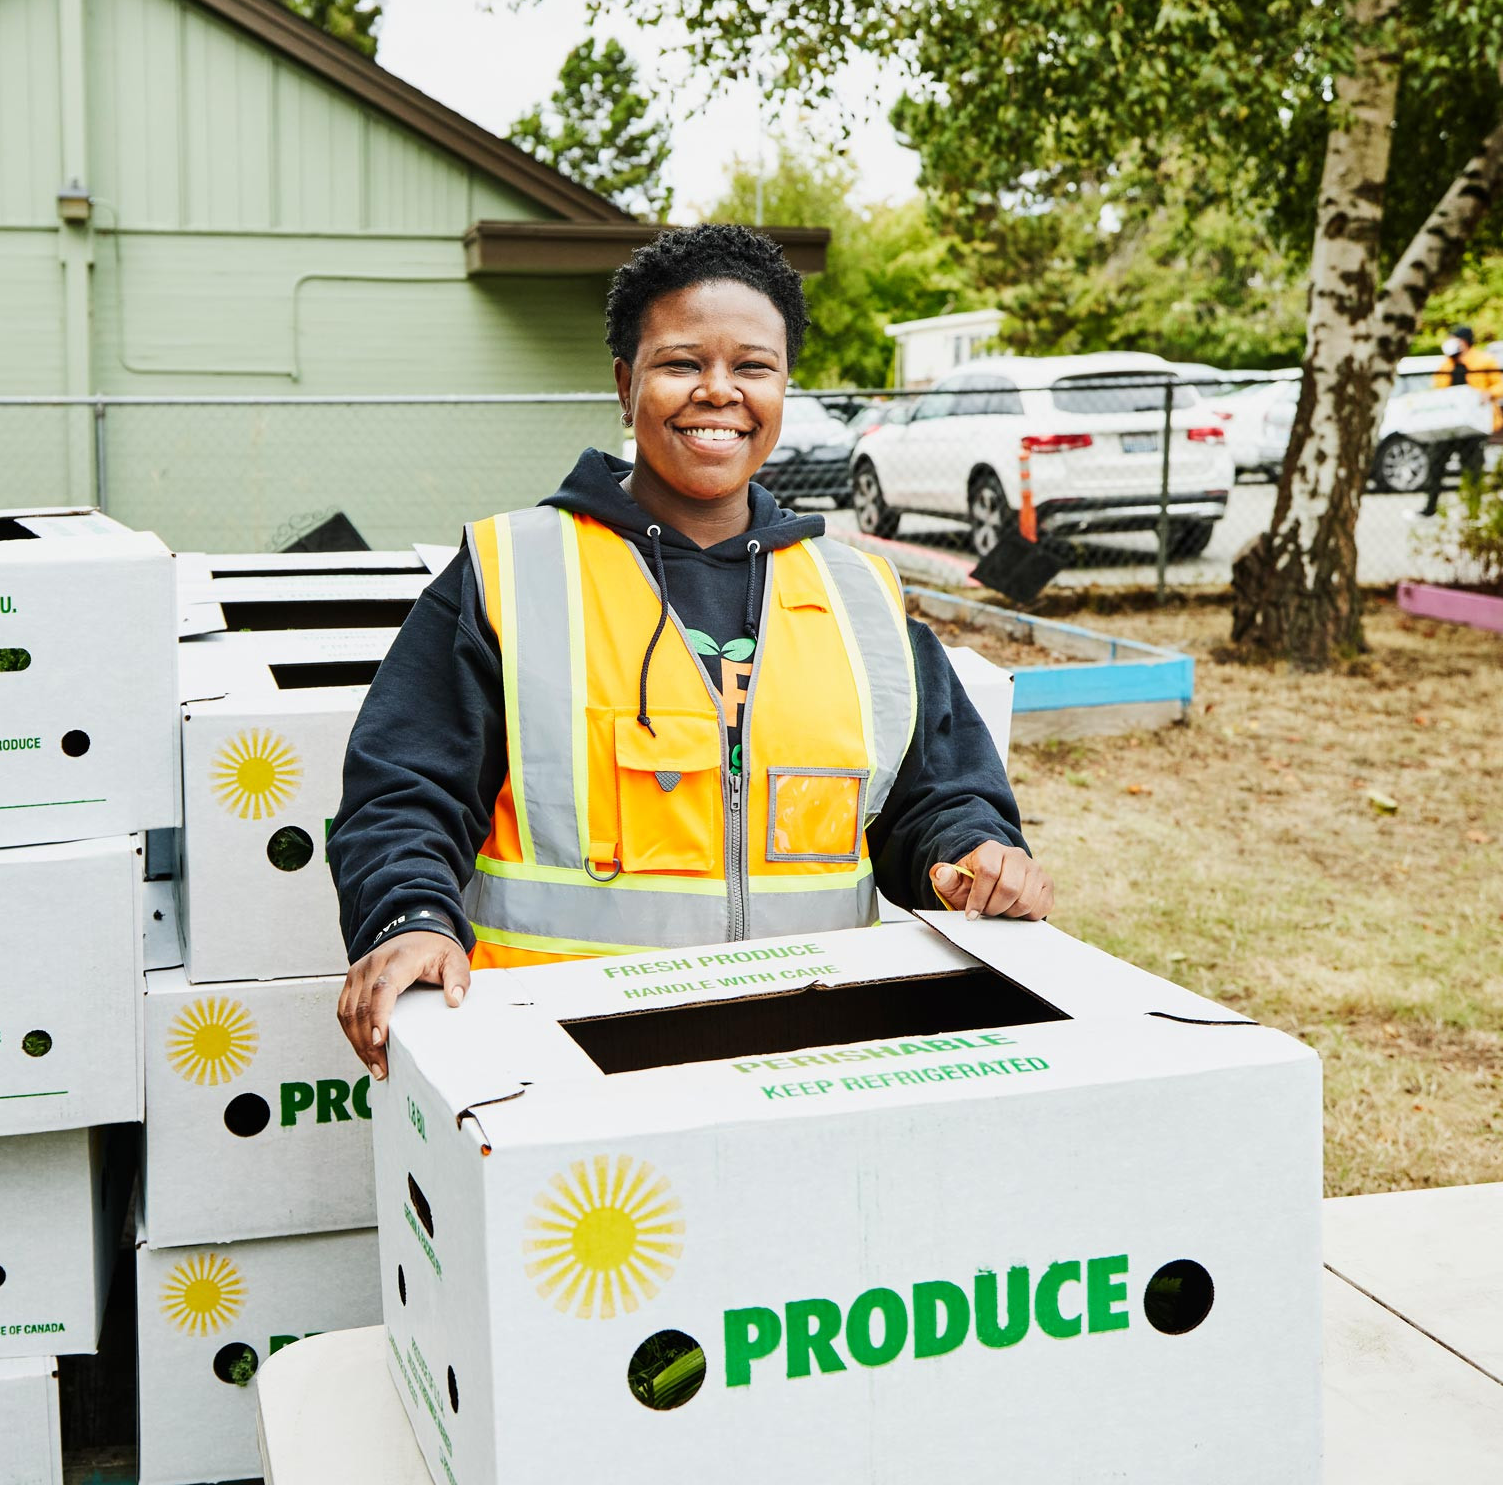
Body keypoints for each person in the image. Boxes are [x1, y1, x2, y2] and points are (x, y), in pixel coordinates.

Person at [328, 225, 1051, 1075]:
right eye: (681, 364)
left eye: (753, 366)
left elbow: (933, 797)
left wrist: (972, 857)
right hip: (564, 1065)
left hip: (814, 1056)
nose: (719, 392)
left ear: (784, 385)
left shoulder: (860, 595)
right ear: (626, 384)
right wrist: (408, 917)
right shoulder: (513, 572)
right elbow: (403, 792)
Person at [1420, 323, 1502, 516]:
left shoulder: (1484, 361)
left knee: (1473, 469)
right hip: (1449, 424)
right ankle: (1430, 508)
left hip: (1473, 425)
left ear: (1464, 341)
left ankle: (1473, 510)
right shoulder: (1446, 364)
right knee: (1436, 465)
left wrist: (1488, 394)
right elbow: (1437, 390)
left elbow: (1501, 387)